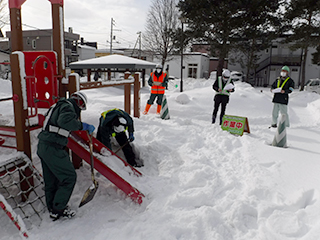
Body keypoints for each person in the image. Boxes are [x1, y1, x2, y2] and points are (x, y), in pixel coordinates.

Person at [37, 91, 95, 221]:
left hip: (44, 146)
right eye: (81, 106)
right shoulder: (67, 106)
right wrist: (82, 126)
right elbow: (64, 121)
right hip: (53, 147)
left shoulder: (57, 105)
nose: (80, 109)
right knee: (69, 177)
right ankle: (59, 208)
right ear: (78, 101)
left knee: (51, 180)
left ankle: (53, 209)